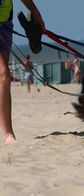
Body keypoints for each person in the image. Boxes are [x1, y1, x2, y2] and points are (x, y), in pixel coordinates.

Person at [0, 0, 45, 144]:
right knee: (4, 74)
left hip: (5, 24)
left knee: (3, 77)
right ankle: (8, 134)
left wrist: (36, 13)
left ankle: (7, 134)